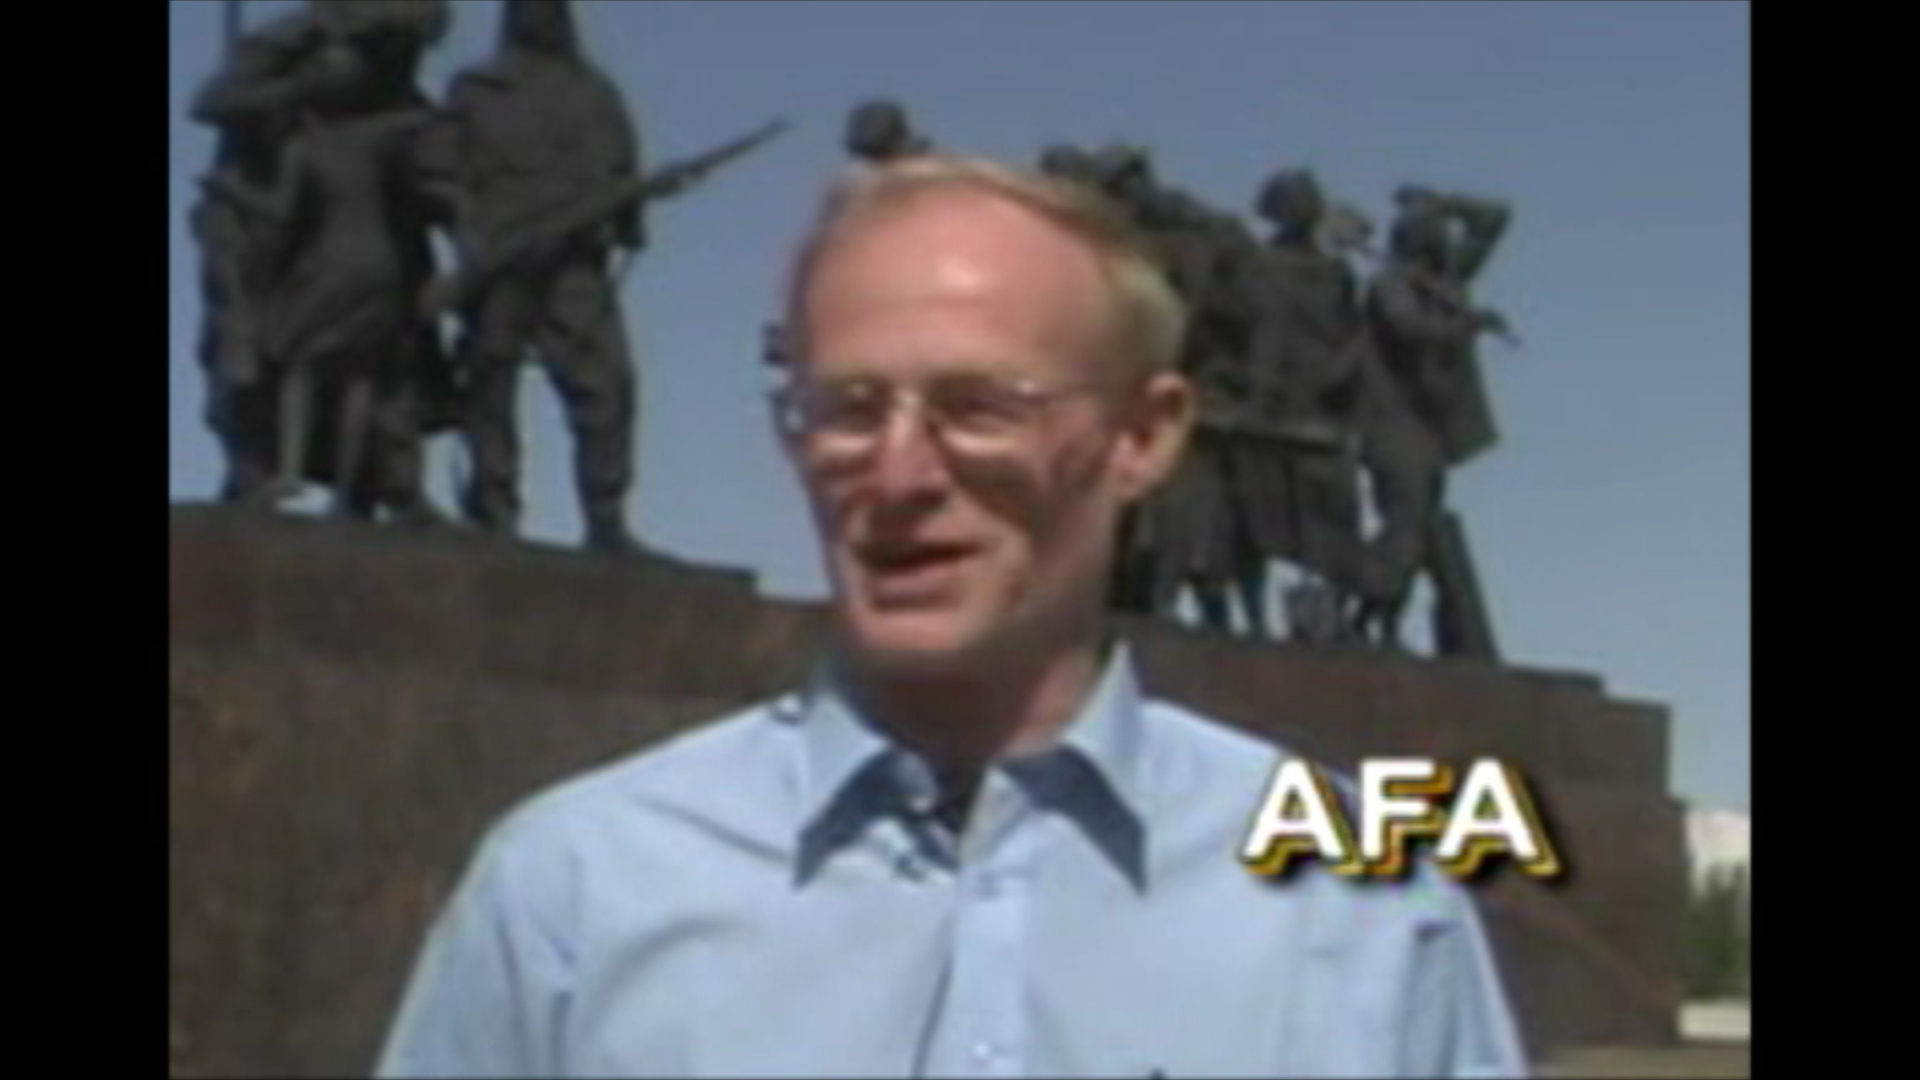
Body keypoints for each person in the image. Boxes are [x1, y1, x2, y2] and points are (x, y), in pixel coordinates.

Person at [373, 153, 1527, 1078]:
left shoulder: (1363, 902)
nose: (898, 475)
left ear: (1143, 437)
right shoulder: (575, 887)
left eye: (979, 407)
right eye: (847, 409)